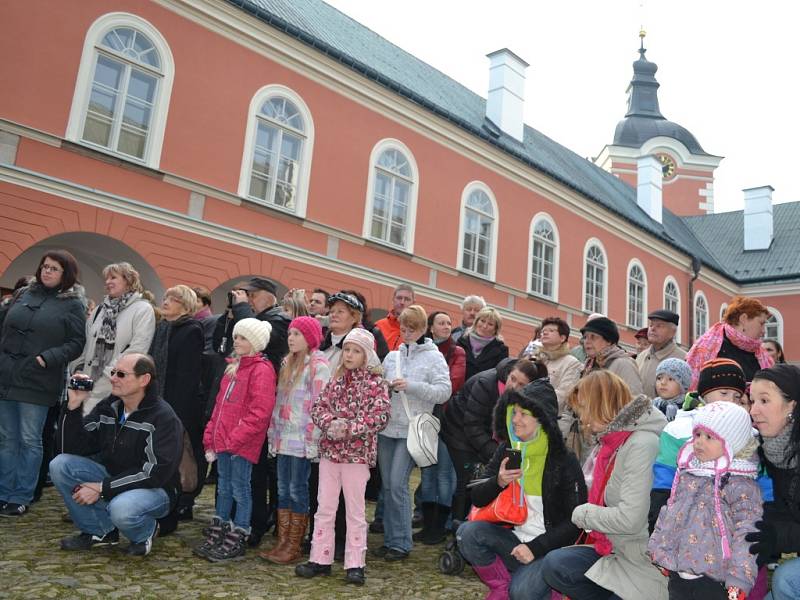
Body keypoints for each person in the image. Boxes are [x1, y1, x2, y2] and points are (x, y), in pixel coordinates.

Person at [539, 370, 668, 600]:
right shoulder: (613, 441)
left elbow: (630, 520)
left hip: (639, 560)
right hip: (614, 549)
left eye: (584, 412)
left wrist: (584, 513)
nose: (583, 421)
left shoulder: (641, 444)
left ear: (601, 404)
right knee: (555, 565)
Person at [456, 380, 587, 600]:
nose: (515, 419)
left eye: (523, 414)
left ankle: (551, 588)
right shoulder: (508, 450)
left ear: (542, 419)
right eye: (514, 412)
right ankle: (501, 588)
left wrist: (536, 548)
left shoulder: (563, 459)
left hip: (550, 548)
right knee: (466, 533)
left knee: (523, 593)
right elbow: (477, 498)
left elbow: (576, 522)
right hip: (514, 540)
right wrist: (497, 482)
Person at [50, 354, 182, 556]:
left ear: (144, 380)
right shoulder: (110, 406)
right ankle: (100, 531)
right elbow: (69, 448)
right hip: (115, 477)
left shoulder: (162, 417)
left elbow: (154, 473)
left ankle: (145, 531)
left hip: (157, 488)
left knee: (121, 509)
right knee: (60, 465)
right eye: (113, 372)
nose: (113, 378)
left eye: (121, 374)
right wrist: (73, 407)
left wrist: (102, 488)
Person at [295, 328, 390, 585]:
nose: (349, 355)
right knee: (325, 506)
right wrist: (330, 423)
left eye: (356, 351)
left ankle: (355, 563)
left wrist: (349, 428)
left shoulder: (375, 383)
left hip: (357, 457)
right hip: (330, 454)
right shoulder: (337, 380)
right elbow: (319, 407)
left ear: (367, 355)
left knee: (355, 511)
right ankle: (320, 557)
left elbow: (379, 416)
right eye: (347, 350)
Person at [0, 251, 86, 517]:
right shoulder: (24, 294)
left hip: (38, 379)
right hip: (7, 375)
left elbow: (76, 343)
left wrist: (46, 358)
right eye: (45, 267)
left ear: (65, 274)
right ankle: (3, 491)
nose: (47, 271)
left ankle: (21, 495)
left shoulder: (72, 304)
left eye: (54, 269)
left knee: (29, 439)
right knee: (6, 439)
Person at [649, 401, 762, 599]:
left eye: (710, 437)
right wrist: (661, 551)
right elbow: (671, 513)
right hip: (679, 575)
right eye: (697, 435)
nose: (699, 442)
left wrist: (740, 580)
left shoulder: (740, 484)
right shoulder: (688, 472)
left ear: (731, 442)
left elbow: (748, 532)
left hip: (715, 580)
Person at [211, 276, 289, 546]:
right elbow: (219, 345)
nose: (249, 300)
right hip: (232, 414)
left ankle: (250, 526)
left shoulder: (278, 319)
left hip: (253, 415)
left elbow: (264, 339)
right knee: (229, 481)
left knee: (250, 479)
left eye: (252, 295)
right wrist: (231, 312)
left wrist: (243, 310)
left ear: (269, 296)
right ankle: (227, 523)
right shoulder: (246, 333)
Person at [196, 318, 276, 562]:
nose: (236, 341)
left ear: (254, 342)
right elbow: (219, 407)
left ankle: (240, 530)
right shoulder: (233, 367)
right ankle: (221, 525)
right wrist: (211, 436)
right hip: (224, 442)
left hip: (241, 444)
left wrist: (234, 438)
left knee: (241, 488)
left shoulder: (261, 370)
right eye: (236, 337)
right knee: (224, 488)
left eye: (242, 338)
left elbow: (259, 412)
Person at [376, 305, 451, 560]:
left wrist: (412, 386)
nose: (407, 332)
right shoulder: (393, 357)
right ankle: (390, 539)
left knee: (398, 483)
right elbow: (378, 389)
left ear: (423, 329)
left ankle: (401, 542)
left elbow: (444, 391)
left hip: (413, 427)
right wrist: (385, 387)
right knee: (388, 486)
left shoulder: (434, 357)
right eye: (404, 328)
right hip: (388, 427)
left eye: (412, 328)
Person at [442, 358, 547, 523]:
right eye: (513, 379)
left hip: (485, 438)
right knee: (467, 480)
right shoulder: (486, 384)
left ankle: (474, 520)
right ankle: (457, 525)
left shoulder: (524, 400)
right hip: (459, 432)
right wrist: (497, 455)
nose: (514, 386)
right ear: (509, 372)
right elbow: (473, 425)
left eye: (521, 384)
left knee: (484, 479)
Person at [261, 317, 330, 564]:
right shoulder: (287, 363)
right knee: (282, 489)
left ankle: (294, 544)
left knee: (297, 490)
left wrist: (313, 442)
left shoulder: (318, 366)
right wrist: (273, 436)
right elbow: (279, 404)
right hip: (283, 439)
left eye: (297, 334)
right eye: (290, 333)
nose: (291, 338)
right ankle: (282, 541)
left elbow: (318, 406)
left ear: (310, 338)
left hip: (302, 441)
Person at [649, 358, 748, 531]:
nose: (730, 401)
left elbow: (760, 484)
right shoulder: (678, 431)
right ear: (704, 394)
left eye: (737, 396)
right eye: (724, 393)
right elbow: (665, 481)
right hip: (686, 525)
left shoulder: (747, 435)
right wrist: (659, 525)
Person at [149, 285, 204, 521]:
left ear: (185, 304)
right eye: (165, 297)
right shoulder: (163, 328)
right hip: (159, 399)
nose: (166, 301)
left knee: (184, 455)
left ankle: (184, 500)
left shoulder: (191, 330)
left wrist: (173, 411)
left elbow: (188, 376)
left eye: (172, 298)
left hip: (180, 405)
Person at [73, 262, 156, 415]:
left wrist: (109, 373)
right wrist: (78, 369)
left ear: (128, 281)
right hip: (87, 381)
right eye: (107, 278)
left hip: (115, 384)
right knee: (81, 427)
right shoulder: (100, 309)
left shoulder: (143, 309)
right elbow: (87, 344)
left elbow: (138, 348)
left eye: (113, 278)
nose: (107, 282)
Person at [747, 365, 800, 600]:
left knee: (786, 580)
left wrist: (775, 536)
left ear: (792, 405)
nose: (753, 411)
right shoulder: (771, 448)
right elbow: (783, 510)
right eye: (752, 400)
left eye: (764, 401)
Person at [413, 310, 465, 544]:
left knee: (444, 473)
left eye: (449, 323)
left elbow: (453, 384)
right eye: (441, 323)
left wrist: (423, 387)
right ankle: (428, 522)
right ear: (430, 328)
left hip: (447, 420)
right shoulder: (420, 349)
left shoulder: (457, 351)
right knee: (427, 471)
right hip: (424, 418)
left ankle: (442, 524)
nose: (446, 326)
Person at [686, 295, 773, 389]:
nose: (764, 331)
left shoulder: (761, 355)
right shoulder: (709, 346)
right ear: (743, 319)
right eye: (761, 323)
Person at [529, 316, 582, 440]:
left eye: (551, 330)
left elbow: (563, 395)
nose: (545, 333)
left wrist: (531, 402)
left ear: (562, 338)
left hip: (552, 424)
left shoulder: (571, 363)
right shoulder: (536, 358)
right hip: (528, 419)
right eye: (543, 331)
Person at [580, 316, 643, 395]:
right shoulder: (588, 365)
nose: (587, 341)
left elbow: (634, 400)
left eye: (593, 337)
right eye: (585, 337)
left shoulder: (624, 364)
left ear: (609, 341)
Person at [636, 309, 687, 399]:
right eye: (651, 325)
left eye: (659, 326)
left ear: (673, 332)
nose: (652, 329)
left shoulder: (683, 359)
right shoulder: (641, 357)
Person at [457, 306, 510, 381]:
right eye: (482, 321)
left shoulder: (501, 350)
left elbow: (499, 377)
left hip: (481, 390)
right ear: (476, 321)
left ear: (496, 329)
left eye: (490, 324)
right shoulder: (462, 341)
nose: (484, 326)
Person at [374, 283, 415, 351]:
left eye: (407, 299)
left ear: (413, 303)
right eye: (399, 298)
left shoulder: (416, 332)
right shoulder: (378, 326)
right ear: (393, 299)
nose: (402, 302)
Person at [192, 285, 218, 354]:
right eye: (191, 300)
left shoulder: (211, 322)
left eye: (197, 301)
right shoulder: (190, 320)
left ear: (205, 305)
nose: (192, 304)